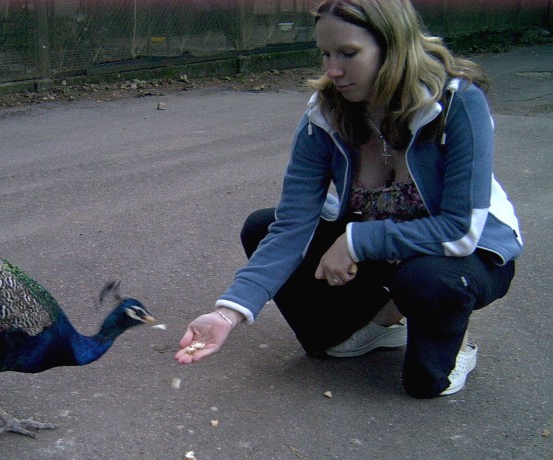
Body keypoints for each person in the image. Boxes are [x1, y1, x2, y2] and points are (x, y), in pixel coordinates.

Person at [175, 0, 522, 398]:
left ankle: (452, 341)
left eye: (348, 54)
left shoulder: (456, 104)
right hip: (385, 252)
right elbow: (292, 227)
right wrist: (228, 313)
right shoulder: (325, 116)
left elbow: (459, 229)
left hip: (463, 255)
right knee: (262, 226)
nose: (332, 70)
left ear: (392, 46)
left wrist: (356, 242)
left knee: (426, 375)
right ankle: (386, 318)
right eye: (326, 53)